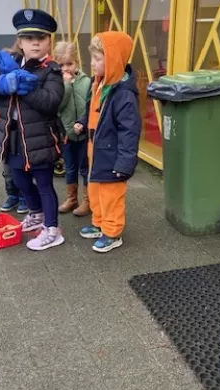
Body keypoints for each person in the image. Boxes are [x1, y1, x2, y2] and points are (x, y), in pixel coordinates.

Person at [0, 9, 65, 251]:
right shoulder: (10, 63)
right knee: (20, 180)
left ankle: (52, 229)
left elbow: (51, 102)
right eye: (29, 38)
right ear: (20, 41)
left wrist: (27, 87)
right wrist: (2, 83)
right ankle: (36, 214)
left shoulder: (51, 70)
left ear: (49, 41)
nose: (35, 42)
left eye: (41, 37)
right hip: (13, 138)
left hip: (40, 139)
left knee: (44, 184)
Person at [75, 32, 140, 253]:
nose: (92, 64)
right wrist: (82, 122)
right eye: (92, 58)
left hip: (112, 155)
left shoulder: (123, 94)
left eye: (97, 58)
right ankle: (99, 223)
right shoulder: (99, 84)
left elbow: (129, 132)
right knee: (95, 190)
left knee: (111, 195)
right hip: (95, 150)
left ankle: (112, 233)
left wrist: (124, 163)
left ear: (113, 60)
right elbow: (91, 110)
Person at [53, 41, 92, 216]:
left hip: (84, 134)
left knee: (85, 168)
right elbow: (58, 106)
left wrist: (83, 124)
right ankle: (71, 198)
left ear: (77, 62)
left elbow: (91, 107)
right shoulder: (56, 84)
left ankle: (87, 200)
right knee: (70, 168)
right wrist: (67, 85)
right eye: (61, 65)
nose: (66, 68)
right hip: (67, 134)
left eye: (69, 63)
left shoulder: (87, 82)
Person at [0, 96, 28, 214]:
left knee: (21, 170)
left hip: (20, 139)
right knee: (8, 172)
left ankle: (24, 196)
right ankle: (12, 195)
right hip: (4, 140)